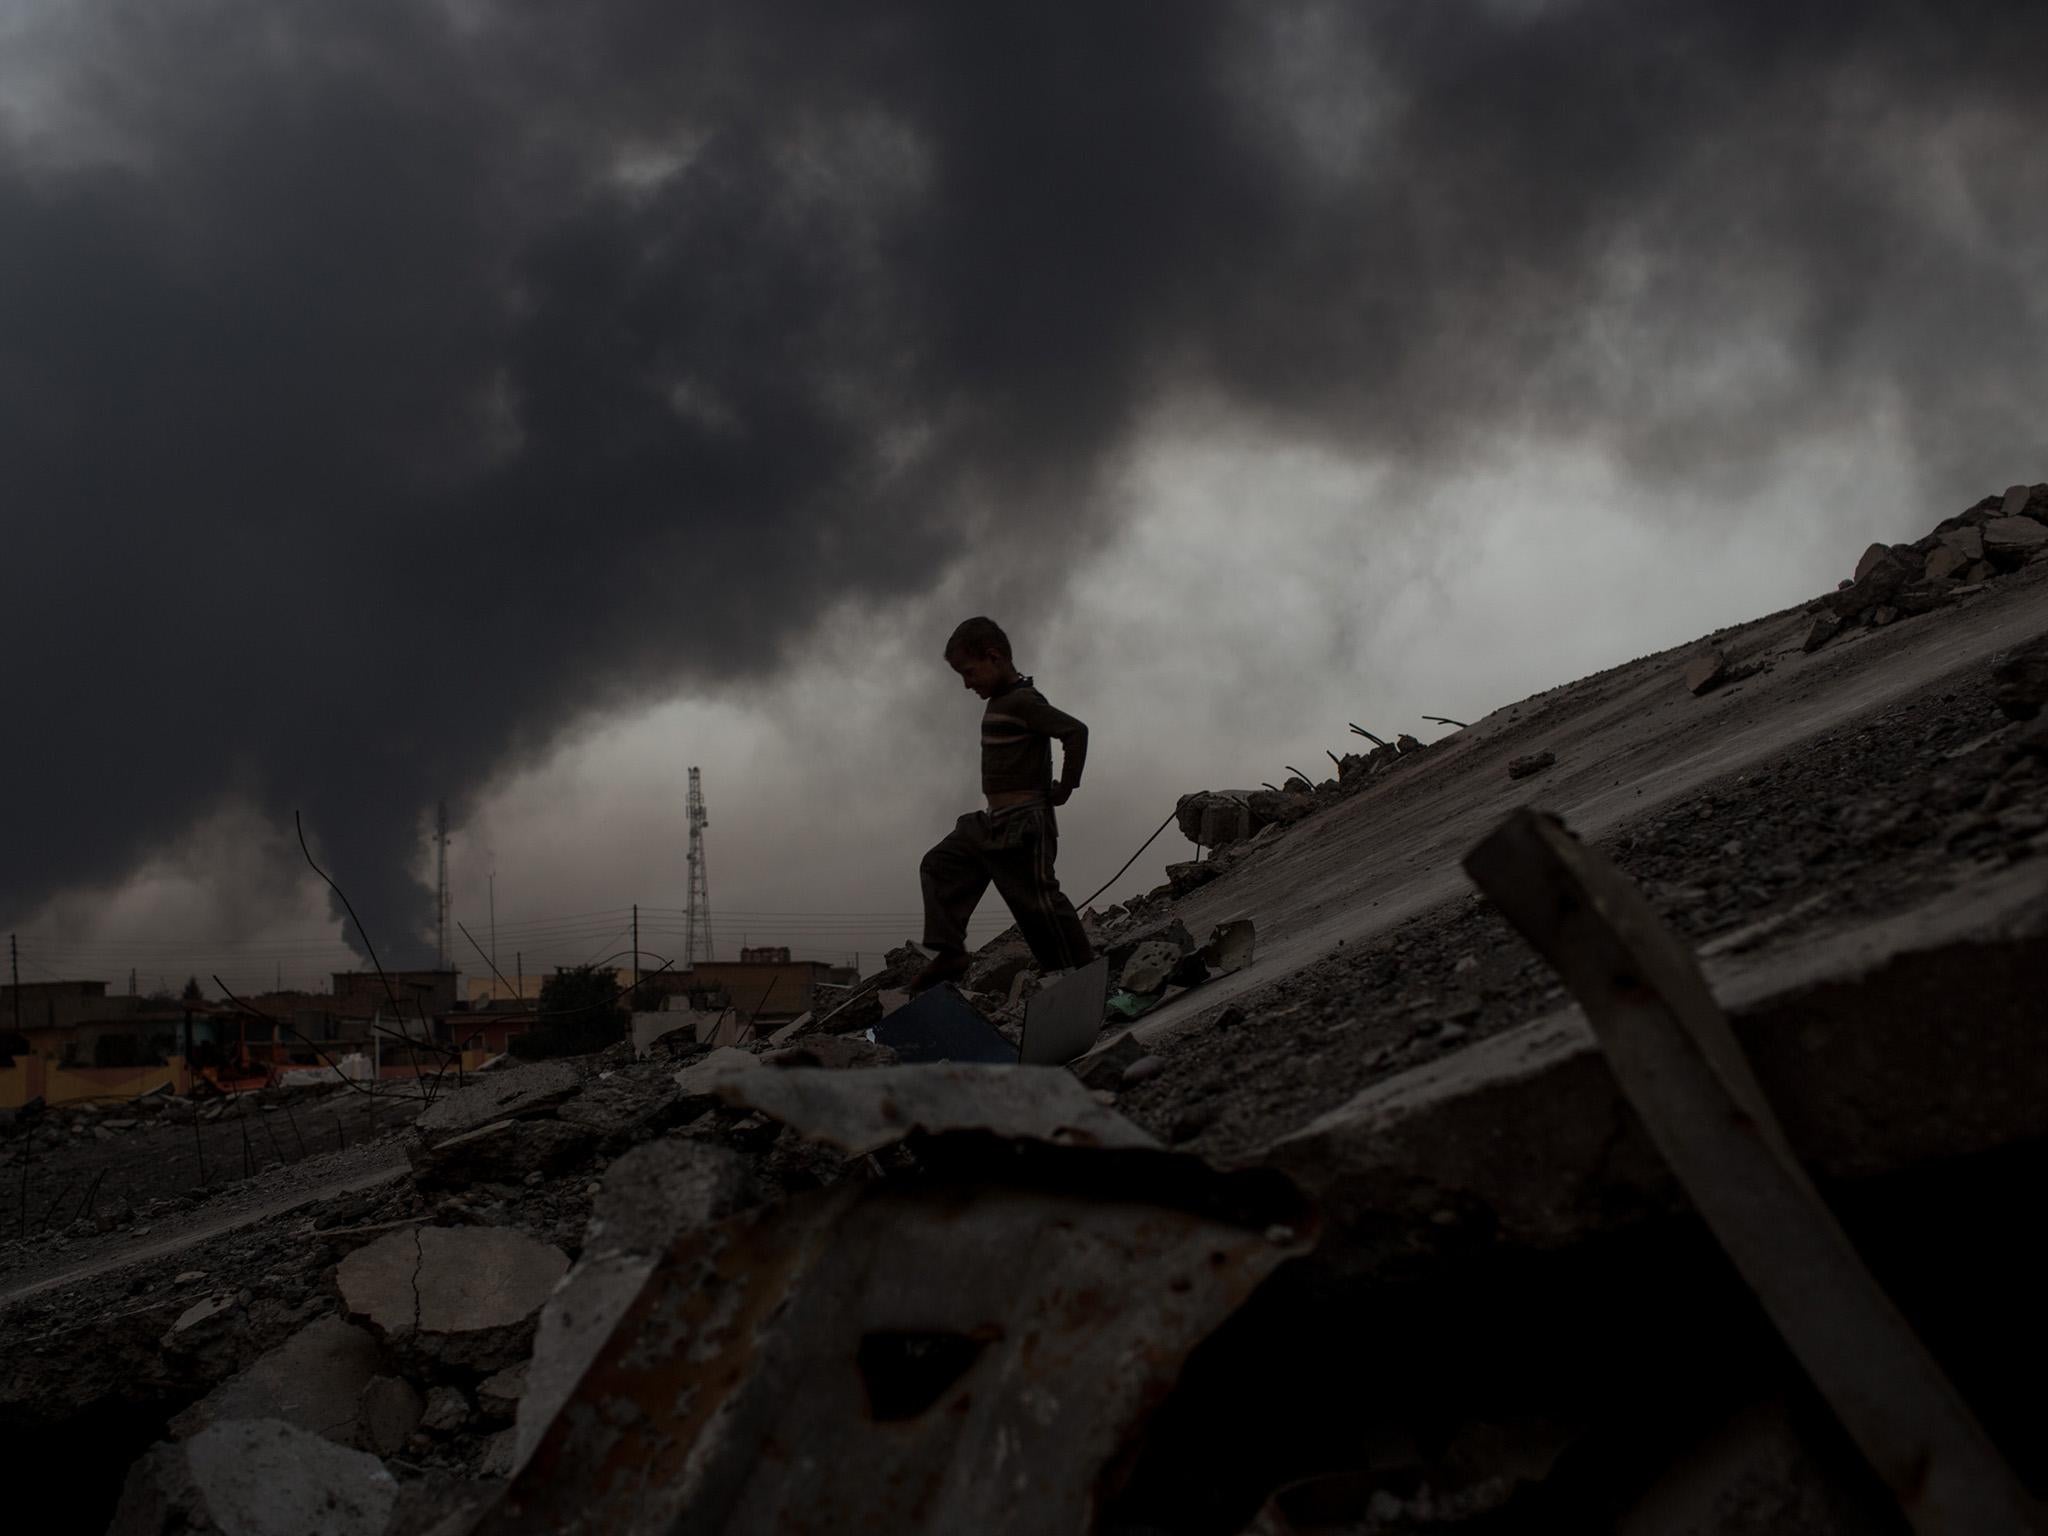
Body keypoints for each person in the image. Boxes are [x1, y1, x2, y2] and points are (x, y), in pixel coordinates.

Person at [913, 616, 1096, 993]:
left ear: (994, 657)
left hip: (1025, 822)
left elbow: (1075, 732)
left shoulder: (1023, 701)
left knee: (1039, 904)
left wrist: (1066, 786)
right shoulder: (1001, 702)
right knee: (939, 863)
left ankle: (1081, 977)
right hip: (994, 823)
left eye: (969, 671)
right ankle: (950, 951)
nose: (967, 683)